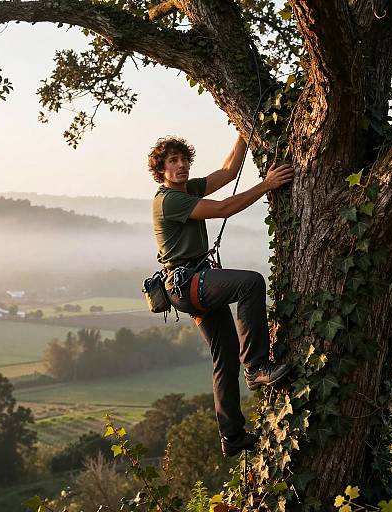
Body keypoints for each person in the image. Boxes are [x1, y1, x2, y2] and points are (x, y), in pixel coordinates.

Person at [148, 133, 294, 457]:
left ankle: (232, 436)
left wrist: (244, 133)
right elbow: (225, 207)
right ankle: (257, 367)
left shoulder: (187, 190)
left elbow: (228, 172)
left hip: (188, 285)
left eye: (184, 159)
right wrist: (266, 185)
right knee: (251, 283)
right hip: (187, 283)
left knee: (224, 355)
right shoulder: (169, 200)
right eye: (173, 161)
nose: (181, 165)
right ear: (161, 169)